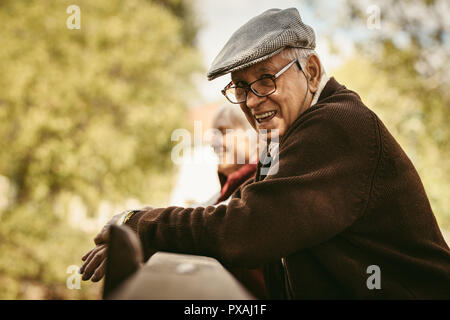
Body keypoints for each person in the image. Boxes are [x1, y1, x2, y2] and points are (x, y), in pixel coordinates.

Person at [80, 8, 450, 299]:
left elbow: (247, 229)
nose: (253, 100)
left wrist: (139, 224)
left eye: (267, 79)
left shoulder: (336, 125)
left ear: (312, 70)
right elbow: (229, 210)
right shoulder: (288, 138)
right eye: (240, 87)